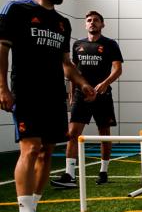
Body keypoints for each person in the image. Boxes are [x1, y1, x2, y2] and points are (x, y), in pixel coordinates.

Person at [0, 0, 96, 212]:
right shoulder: (16, 10)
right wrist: (2, 87)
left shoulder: (62, 23)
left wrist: (82, 83)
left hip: (54, 95)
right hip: (27, 92)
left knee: (46, 152)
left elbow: (66, 64)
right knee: (30, 149)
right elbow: (2, 49)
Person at [51, 11, 123, 188]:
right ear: (85, 25)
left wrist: (105, 83)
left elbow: (118, 69)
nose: (92, 23)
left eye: (96, 20)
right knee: (73, 133)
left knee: (104, 134)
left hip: (103, 96)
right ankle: (69, 175)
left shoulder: (110, 44)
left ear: (102, 24)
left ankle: (103, 171)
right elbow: (73, 71)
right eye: (89, 21)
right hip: (81, 96)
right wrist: (72, 91)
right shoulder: (77, 45)